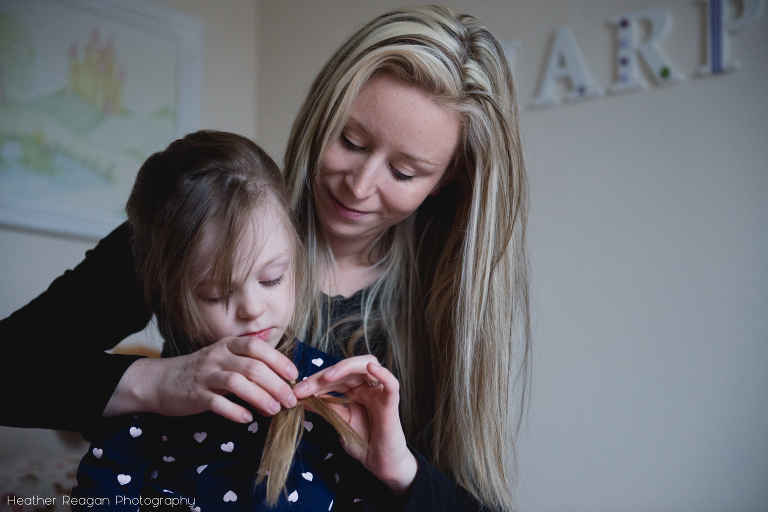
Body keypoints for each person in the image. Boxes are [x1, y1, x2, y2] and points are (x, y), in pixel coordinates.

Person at [1, 5, 529, 511]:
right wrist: (157, 381)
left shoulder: (450, 307)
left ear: (447, 182)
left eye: (405, 173)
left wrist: (400, 471)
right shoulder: (199, 224)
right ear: (322, 113)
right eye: (350, 140)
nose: (360, 186)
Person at [72, 130, 389, 511]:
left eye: (272, 278)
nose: (253, 308)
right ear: (171, 298)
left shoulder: (334, 387)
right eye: (216, 295)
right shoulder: (147, 408)